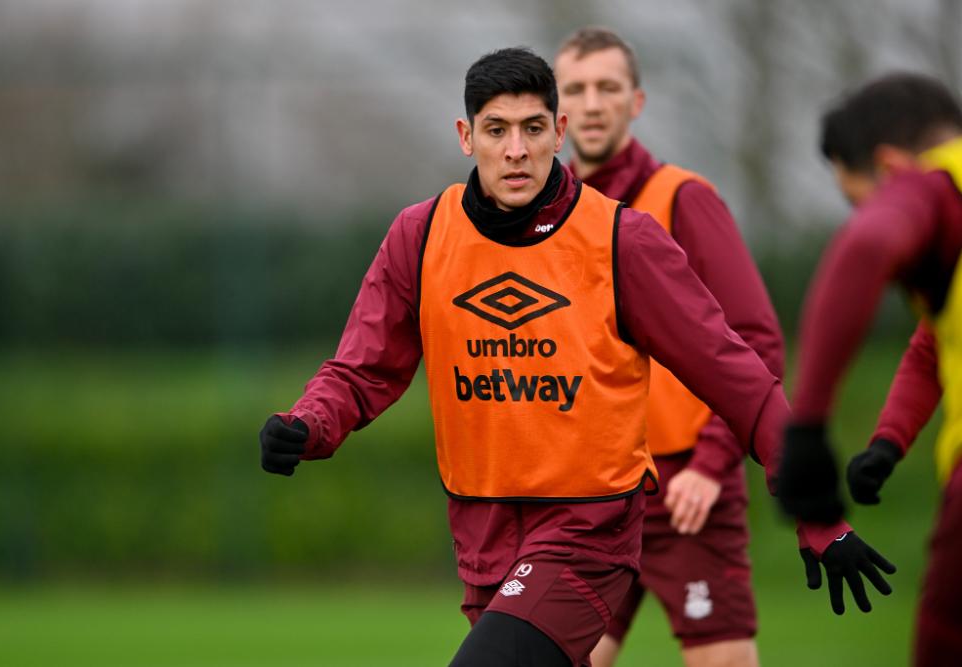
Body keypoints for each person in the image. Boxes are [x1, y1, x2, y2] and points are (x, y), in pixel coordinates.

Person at [260, 47, 890, 667]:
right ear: (465, 136)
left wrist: (819, 516)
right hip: (481, 534)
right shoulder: (420, 236)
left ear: (557, 132)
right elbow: (363, 368)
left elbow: (737, 375)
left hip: (589, 530)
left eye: (533, 129)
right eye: (496, 130)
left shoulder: (622, 240)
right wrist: (309, 423)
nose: (516, 150)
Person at [553, 27, 782, 667]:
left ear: (637, 102)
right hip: (590, 496)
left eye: (608, 87)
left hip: (686, 491)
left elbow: (755, 339)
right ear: (557, 111)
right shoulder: (551, 219)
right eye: (576, 89)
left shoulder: (683, 198)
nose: (593, 103)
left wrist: (713, 463)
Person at [775, 72, 962, 666]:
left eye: (860, 198)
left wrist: (805, 430)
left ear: (889, 164)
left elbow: (866, 247)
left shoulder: (936, 187)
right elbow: (934, 341)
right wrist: (889, 441)